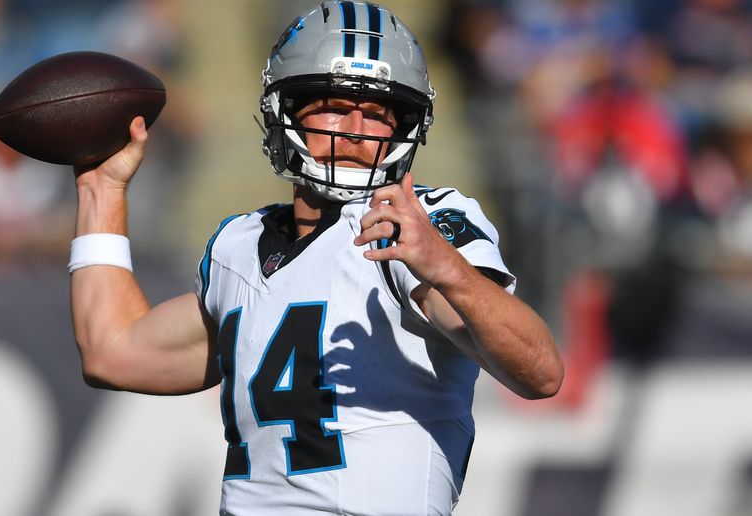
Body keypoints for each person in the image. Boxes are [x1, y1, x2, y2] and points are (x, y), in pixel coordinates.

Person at [68, 2, 563, 514]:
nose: (354, 129)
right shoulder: (239, 244)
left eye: (377, 114)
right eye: (333, 105)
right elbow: (113, 351)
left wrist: (449, 269)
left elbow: (540, 373)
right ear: (286, 110)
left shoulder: (415, 227)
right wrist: (102, 192)